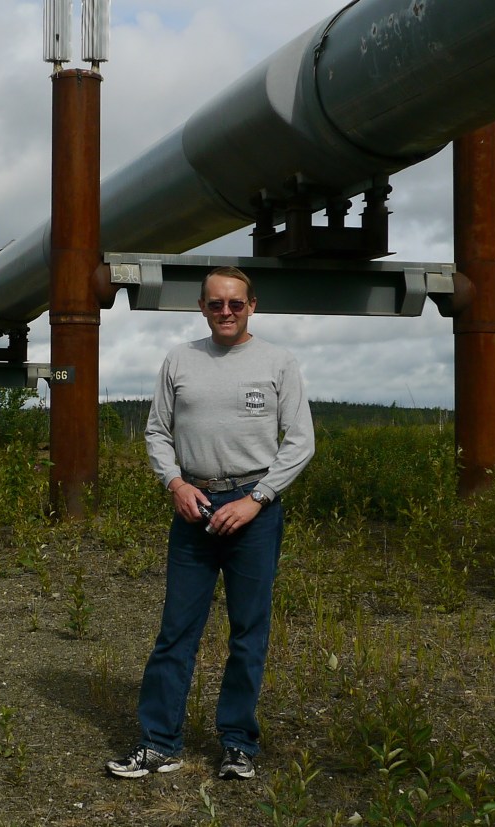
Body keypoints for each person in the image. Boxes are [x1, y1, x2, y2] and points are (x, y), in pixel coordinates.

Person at [105, 265, 315, 781]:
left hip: (253, 508)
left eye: (236, 304)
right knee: (176, 631)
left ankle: (238, 744)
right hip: (194, 504)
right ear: (202, 307)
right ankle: (160, 743)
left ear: (252, 306)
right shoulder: (180, 360)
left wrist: (258, 499)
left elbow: (301, 442)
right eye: (216, 304)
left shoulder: (278, 363)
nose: (226, 312)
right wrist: (175, 484)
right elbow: (157, 431)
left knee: (248, 632)